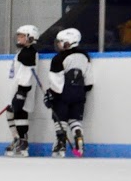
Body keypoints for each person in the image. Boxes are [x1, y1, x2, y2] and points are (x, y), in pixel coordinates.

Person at [44, 27, 93, 157]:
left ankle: (60, 144)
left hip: (63, 94)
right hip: (79, 93)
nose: (58, 44)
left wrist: (51, 95)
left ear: (68, 42)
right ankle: (78, 133)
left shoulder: (58, 59)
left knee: (60, 119)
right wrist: (83, 89)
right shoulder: (85, 56)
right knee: (74, 119)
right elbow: (89, 82)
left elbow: (55, 81)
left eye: (60, 42)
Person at [6, 24, 40, 158]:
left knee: (20, 114)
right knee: (10, 112)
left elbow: (27, 75)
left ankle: (23, 141)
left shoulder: (29, 53)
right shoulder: (22, 52)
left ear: (30, 38)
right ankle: (17, 139)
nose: (18, 38)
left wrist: (21, 92)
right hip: (16, 89)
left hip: (23, 91)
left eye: (22, 36)